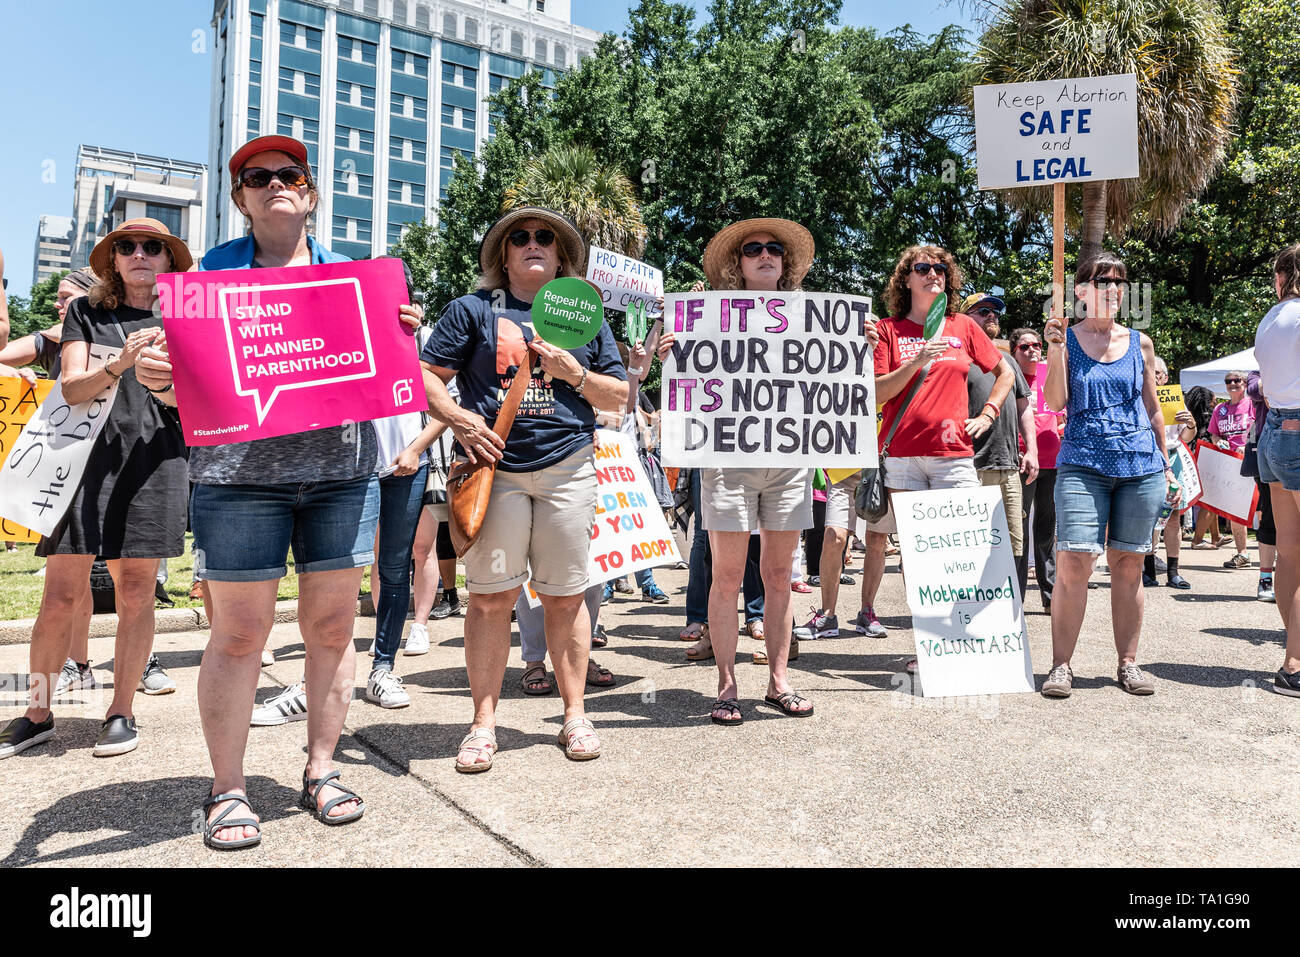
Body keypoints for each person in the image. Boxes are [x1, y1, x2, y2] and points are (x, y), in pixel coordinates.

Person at [133, 135, 422, 848]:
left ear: (310, 191)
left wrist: (400, 338)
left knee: (329, 628)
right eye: (256, 178)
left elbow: (389, 375)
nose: (274, 185)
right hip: (239, 481)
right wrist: (158, 377)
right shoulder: (203, 282)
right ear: (240, 199)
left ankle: (321, 768)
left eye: (289, 174)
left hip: (339, 475)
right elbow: (181, 390)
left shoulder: (356, 279)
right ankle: (226, 788)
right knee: (237, 636)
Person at [420, 206, 627, 769]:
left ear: (561, 255)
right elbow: (423, 379)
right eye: (520, 238)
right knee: (490, 600)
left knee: (566, 596)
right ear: (503, 254)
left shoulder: (589, 320)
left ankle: (575, 716)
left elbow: (619, 396)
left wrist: (575, 374)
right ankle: (483, 726)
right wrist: (462, 423)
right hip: (497, 473)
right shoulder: (470, 311)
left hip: (569, 467)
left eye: (545, 238)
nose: (533, 244)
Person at [659, 218, 874, 723]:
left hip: (790, 465)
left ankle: (779, 681)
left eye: (773, 248)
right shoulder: (709, 319)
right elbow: (688, 381)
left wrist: (858, 345)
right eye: (753, 249)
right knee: (728, 576)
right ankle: (727, 686)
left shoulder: (815, 319)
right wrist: (670, 352)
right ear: (738, 264)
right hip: (728, 464)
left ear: (785, 261)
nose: (764, 255)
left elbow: (837, 378)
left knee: (778, 576)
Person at [0, 221, 191, 761]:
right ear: (112, 260)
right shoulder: (88, 310)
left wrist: (168, 381)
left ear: (169, 260)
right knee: (60, 595)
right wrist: (122, 361)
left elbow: (205, 397)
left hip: (156, 461)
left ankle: (121, 711)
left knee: (136, 593)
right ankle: (36, 712)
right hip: (81, 463)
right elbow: (72, 386)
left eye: (153, 247)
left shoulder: (190, 316)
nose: (139, 255)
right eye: (126, 247)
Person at [1040, 252, 1174, 699]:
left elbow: (1153, 408)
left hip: (1140, 464)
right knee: (1074, 560)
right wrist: (1055, 351)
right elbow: (1056, 402)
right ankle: (1061, 665)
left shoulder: (1141, 343)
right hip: (1082, 462)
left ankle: (1128, 663)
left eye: (1119, 281)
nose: (1113, 288)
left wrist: (1167, 462)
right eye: (1103, 281)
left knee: (1130, 563)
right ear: (1081, 291)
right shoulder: (1065, 340)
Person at [872, 246, 1013, 672]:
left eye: (939, 269)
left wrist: (988, 414)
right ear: (906, 279)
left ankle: (964, 636)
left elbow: (1005, 372)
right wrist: (916, 361)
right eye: (922, 268)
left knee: (964, 550)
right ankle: (930, 646)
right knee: (918, 558)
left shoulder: (964, 326)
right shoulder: (888, 330)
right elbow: (878, 394)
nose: (932, 274)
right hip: (903, 457)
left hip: (954, 456)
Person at [0, 269, 100, 688]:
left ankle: (140, 663)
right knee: (69, 580)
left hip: (119, 466)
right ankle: (77, 666)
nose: (56, 306)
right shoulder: (49, 341)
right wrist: (9, 374)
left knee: (133, 580)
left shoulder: (126, 332)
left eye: (65, 298)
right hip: (64, 469)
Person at [964, 294, 1037, 599]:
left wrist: (1031, 450)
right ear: (966, 318)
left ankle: (1006, 609)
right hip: (970, 466)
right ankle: (969, 609)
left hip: (1008, 466)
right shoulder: (959, 359)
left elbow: (1024, 408)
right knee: (972, 545)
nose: (992, 315)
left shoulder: (1006, 360)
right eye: (984, 311)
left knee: (1014, 544)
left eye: (995, 311)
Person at [1253, 244, 1300, 696]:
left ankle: (1294, 654)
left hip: (1277, 433)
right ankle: (1295, 661)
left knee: (1290, 552)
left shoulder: (1272, 318)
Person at [1010, 326, 1062, 610]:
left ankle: (1050, 595)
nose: (1032, 350)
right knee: (1019, 530)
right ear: (1014, 351)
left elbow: (1061, 413)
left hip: (1052, 462)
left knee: (1046, 529)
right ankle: (1015, 597)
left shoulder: (1047, 376)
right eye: (1025, 346)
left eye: (1037, 345)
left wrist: (1061, 428)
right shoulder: (1009, 376)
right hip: (1022, 462)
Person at [1145, 357, 1194, 589]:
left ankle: (1173, 572)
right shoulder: (1139, 399)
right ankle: (1148, 570)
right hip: (1146, 458)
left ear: (1164, 377)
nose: (1153, 377)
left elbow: (1185, 438)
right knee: (1146, 516)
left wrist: (1191, 424)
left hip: (1172, 458)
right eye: (1149, 372)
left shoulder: (1176, 402)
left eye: (1157, 373)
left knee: (1173, 516)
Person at [1208, 370, 1256, 569]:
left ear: (1245, 384)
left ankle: (1279, 552)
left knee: (1263, 510)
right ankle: (1242, 553)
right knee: (1236, 510)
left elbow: (1259, 426)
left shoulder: (1252, 404)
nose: (1232, 384)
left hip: (1253, 460)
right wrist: (1219, 442)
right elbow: (1214, 434)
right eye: (1229, 381)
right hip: (1230, 463)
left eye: (1237, 380)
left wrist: (1247, 444)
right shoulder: (1220, 409)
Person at [1246, 370, 1277, 602]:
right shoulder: (1257, 373)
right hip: (1267, 452)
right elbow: (1255, 389)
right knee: (1270, 516)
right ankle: (1265, 579)